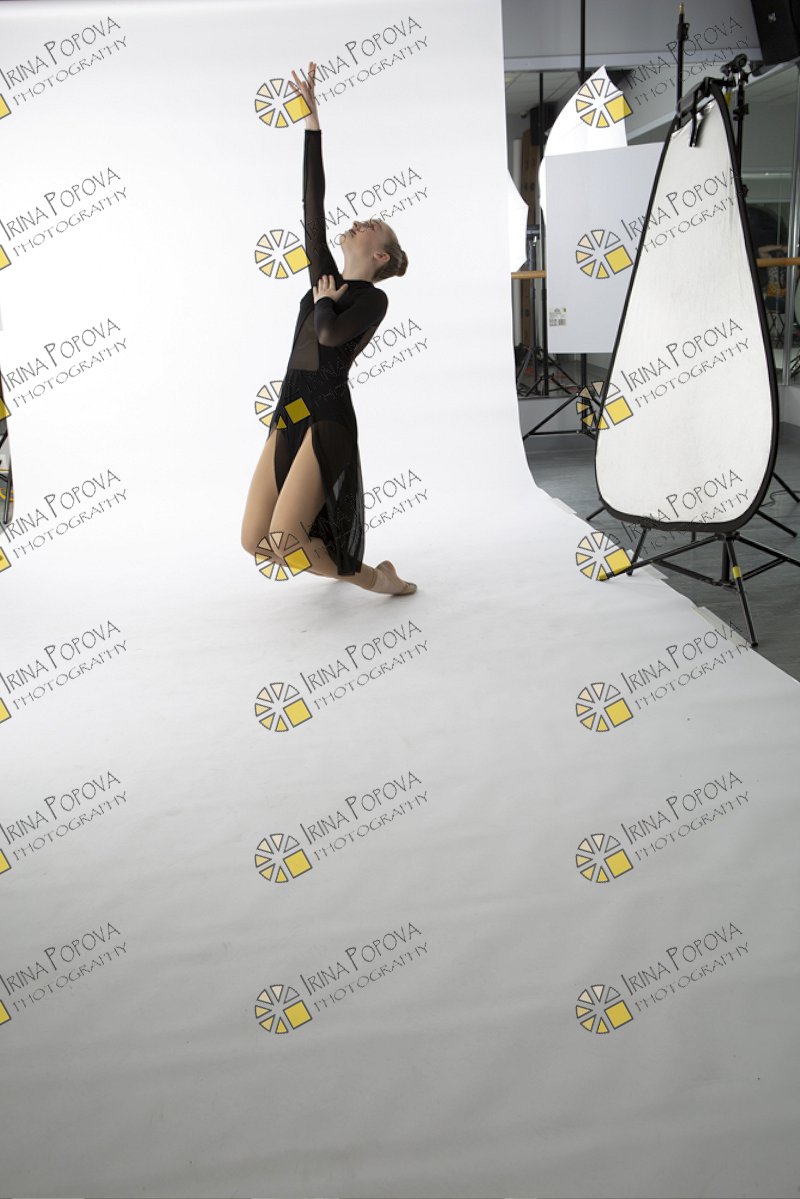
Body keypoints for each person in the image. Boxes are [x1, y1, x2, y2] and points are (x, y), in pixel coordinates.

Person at [241, 61, 416, 596]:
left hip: (329, 416)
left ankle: (382, 582)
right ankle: (341, 560)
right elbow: (312, 205)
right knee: (257, 543)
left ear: (381, 255)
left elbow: (329, 337)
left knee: (286, 539)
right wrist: (312, 123)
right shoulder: (328, 276)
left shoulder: (373, 299)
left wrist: (322, 304)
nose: (359, 222)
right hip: (292, 406)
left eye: (372, 227)